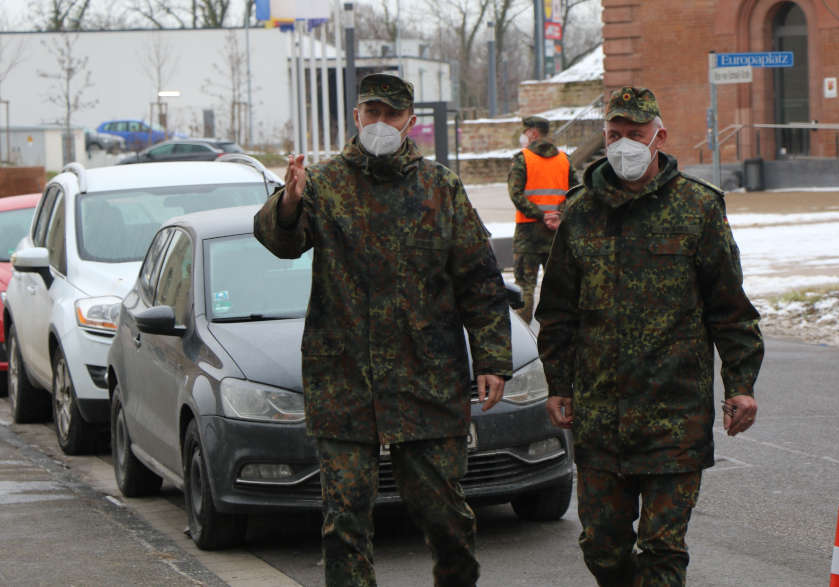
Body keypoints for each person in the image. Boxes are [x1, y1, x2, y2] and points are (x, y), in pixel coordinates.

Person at [254, 73, 512, 587]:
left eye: (390, 115)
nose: (380, 123)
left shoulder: (440, 188)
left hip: (427, 384)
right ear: (356, 117)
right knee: (344, 525)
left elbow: (480, 282)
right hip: (345, 385)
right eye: (370, 112)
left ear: (409, 123)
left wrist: (492, 360)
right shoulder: (324, 184)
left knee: (447, 519)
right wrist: (287, 203)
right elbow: (282, 241)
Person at [535, 86, 764, 586]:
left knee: (663, 551)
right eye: (614, 134)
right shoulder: (579, 212)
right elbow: (556, 313)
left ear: (658, 136)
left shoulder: (698, 209)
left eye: (635, 134)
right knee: (601, 547)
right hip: (599, 417)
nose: (624, 145)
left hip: (673, 417)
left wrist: (741, 385)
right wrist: (559, 384)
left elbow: (730, 309)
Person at [507, 115, 578, 324]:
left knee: (525, 289)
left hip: (527, 236)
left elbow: (516, 194)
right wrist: (557, 214)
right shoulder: (564, 159)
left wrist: (540, 214)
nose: (523, 135)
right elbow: (576, 192)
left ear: (533, 133)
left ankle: (524, 339)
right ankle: (558, 333)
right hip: (557, 235)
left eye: (525, 131)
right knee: (557, 289)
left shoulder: (523, 159)